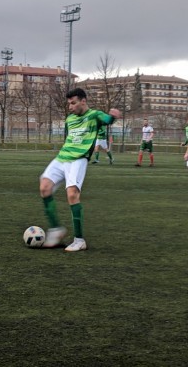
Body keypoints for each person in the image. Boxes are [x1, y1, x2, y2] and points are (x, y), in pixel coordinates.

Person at [39, 88, 120, 252]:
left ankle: (79, 240)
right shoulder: (69, 119)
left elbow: (106, 119)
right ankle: (56, 230)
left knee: (72, 194)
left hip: (78, 159)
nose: (70, 107)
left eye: (73, 103)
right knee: (44, 187)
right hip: (62, 157)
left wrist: (112, 116)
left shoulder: (94, 115)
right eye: (69, 103)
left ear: (83, 101)